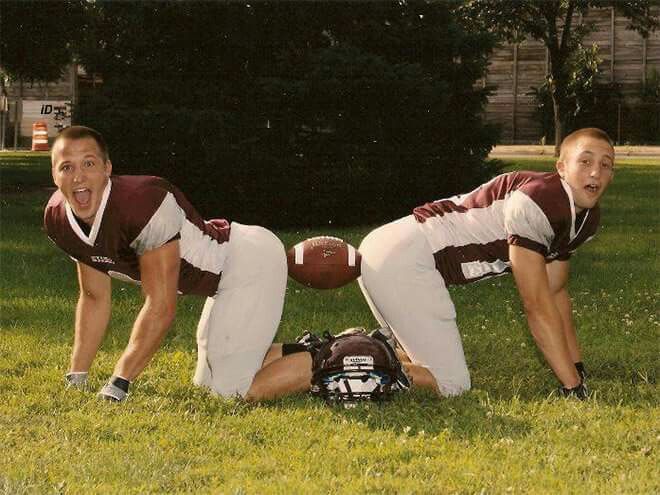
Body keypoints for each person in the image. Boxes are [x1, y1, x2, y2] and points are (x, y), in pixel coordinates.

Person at [45, 125, 311, 402]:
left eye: (89, 163)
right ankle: (307, 349)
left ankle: (332, 359)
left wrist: (119, 382)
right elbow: (93, 297)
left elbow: (160, 305)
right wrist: (77, 376)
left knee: (230, 392)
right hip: (223, 277)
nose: (78, 176)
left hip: (248, 263)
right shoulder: (58, 218)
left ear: (107, 168)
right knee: (206, 384)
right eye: (66, 167)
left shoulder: (141, 203)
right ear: (54, 175)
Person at [358, 128, 615, 399]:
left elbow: (555, 292)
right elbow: (536, 306)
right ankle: (332, 359)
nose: (596, 172)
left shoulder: (584, 217)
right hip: (404, 257)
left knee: (424, 364)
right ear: (561, 167)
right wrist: (573, 388)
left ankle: (360, 350)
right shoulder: (540, 202)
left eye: (606, 164)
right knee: (451, 384)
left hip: (398, 253)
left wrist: (576, 369)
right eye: (585, 161)